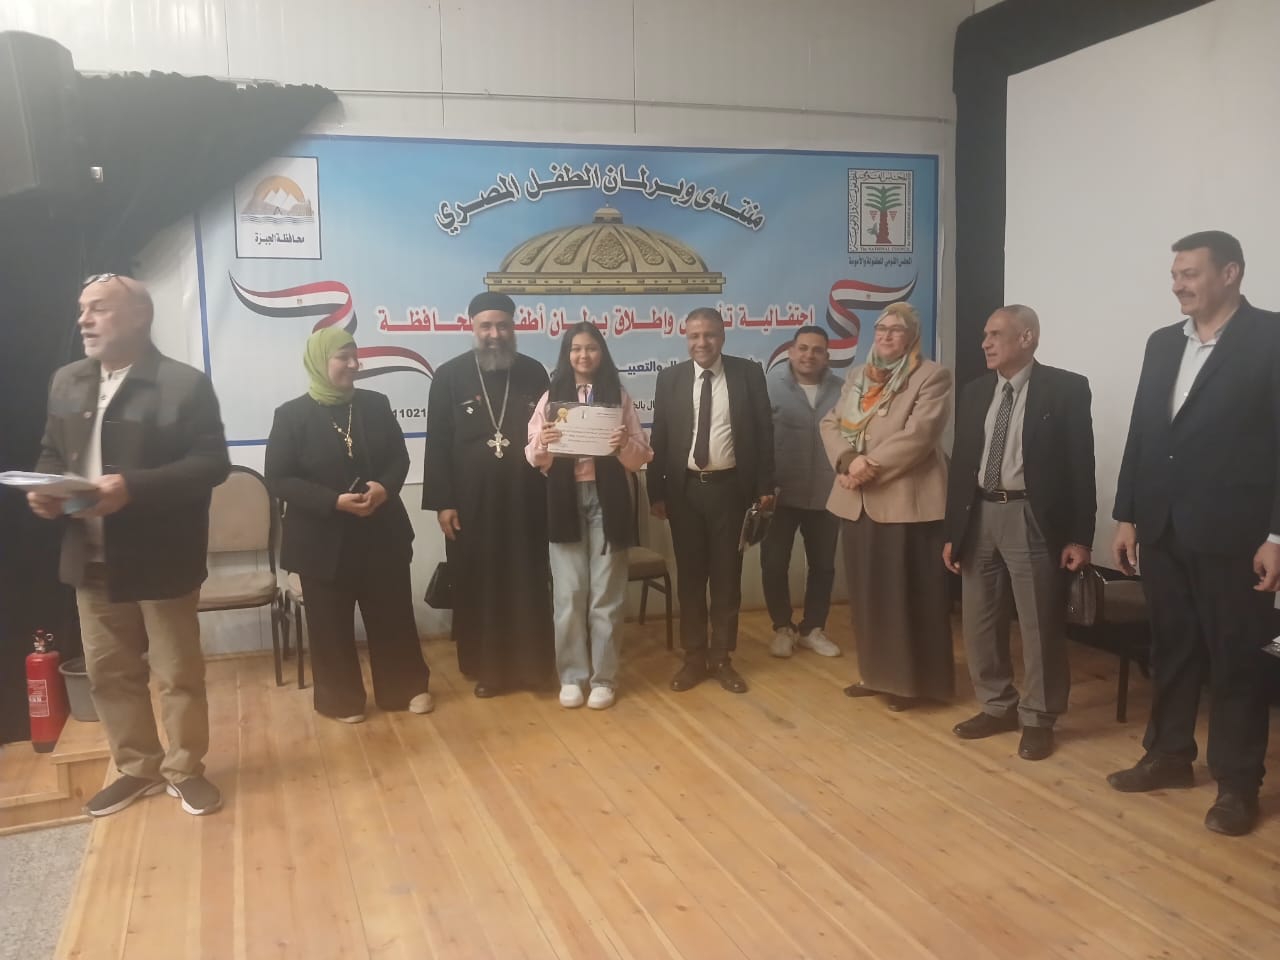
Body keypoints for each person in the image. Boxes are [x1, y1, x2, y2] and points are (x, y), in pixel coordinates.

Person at [27, 274, 230, 817]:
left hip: (162, 557)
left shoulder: (182, 384)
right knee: (109, 673)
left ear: (140, 315)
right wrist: (47, 490)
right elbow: (52, 452)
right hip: (90, 556)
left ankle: (185, 770)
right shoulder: (66, 381)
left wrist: (132, 488)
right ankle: (138, 768)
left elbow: (211, 464)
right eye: (81, 309)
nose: (84, 319)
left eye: (99, 308)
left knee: (177, 673)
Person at [1108, 231, 1280, 837]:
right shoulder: (1163, 343)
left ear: (1230, 273)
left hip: (1237, 534)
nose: (1178, 285)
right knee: (1172, 649)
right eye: (1175, 274)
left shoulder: (1272, 337)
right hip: (1162, 526)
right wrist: (1127, 514)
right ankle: (1169, 756)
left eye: (1190, 274)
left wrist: (1278, 536)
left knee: (1236, 659)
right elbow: (1143, 431)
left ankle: (1237, 784)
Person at [943, 305, 1096, 762]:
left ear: (1026, 337)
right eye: (984, 335)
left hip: (1030, 515)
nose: (985, 343)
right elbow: (961, 465)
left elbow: (1081, 467)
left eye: (995, 334)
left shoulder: (1065, 388)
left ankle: (1039, 717)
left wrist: (1080, 536)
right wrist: (953, 531)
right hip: (979, 514)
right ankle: (997, 705)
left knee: (1038, 623)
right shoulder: (975, 391)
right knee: (979, 620)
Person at [265, 329, 433, 724]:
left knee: (393, 616)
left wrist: (383, 488)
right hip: (320, 541)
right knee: (329, 625)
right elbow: (279, 479)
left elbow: (400, 458)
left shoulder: (376, 404)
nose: (354, 365)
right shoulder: (291, 415)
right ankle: (341, 700)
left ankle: (406, 687)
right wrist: (332, 501)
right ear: (319, 361)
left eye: (356, 356)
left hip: (381, 534)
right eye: (344, 357)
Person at [821, 302, 954, 710]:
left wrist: (866, 467)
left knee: (906, 597)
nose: (885, 335)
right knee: (868, 597)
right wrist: (847, 461)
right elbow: (830, 423)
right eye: (881, 328)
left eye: (896, 329)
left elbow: (919, 435)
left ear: (912, 336)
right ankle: (876, 675)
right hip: (856, 500)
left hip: (905, 503)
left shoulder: (931, 376)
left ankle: (913, 684)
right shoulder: (859, 376)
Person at [422, 292, 554, 697]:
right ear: (472, 327)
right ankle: (488, 669)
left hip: (526, 499)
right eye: (486, 326)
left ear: (514, 327)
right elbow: (437, 443)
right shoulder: (449, 375)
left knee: (528, 580)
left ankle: (534, 668)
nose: (495, 333)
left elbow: (549, 434)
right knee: (480, 582)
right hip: (471, 503)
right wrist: (444, 502)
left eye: (502, 325)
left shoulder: (534, 372)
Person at [526, 323, 653, 709]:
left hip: (608, 500)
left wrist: (623, 444)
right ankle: (572, 676)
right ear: (567, 354)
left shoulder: (619, 396)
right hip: (564, 500)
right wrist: (543, 442)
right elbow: (533, 456)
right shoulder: (551, 397)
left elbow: (641, 456)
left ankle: (604, 679)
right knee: (569, 594)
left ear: (603, 353)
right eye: (576, 349)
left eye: (592, 348)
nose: (584, 356)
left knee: (606, 596)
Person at [648, 306, 775, 693]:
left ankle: (721, 657)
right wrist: (656, 491)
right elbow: (659, 437)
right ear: (685, 338)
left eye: (709, 335)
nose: (701, 342)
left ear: (723, 336)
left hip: (730, 491)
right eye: (694, 336)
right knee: (690, 579)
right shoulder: (670, 378)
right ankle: (693, 657)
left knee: (726, 578)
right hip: (684, 492)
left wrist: (766, 486)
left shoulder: (748, 374)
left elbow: (764, 432)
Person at [762, 326, 844, 659]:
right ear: (791, 352)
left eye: (817, 350)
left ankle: (813, 629)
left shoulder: (844, 390)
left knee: (823, 567)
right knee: (773, 564)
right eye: (803, 348)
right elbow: (756, 436)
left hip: (827, 494)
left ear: (827, 356)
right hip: (779, 493)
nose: (809, 355)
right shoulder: (769, 386)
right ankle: (782, 627)